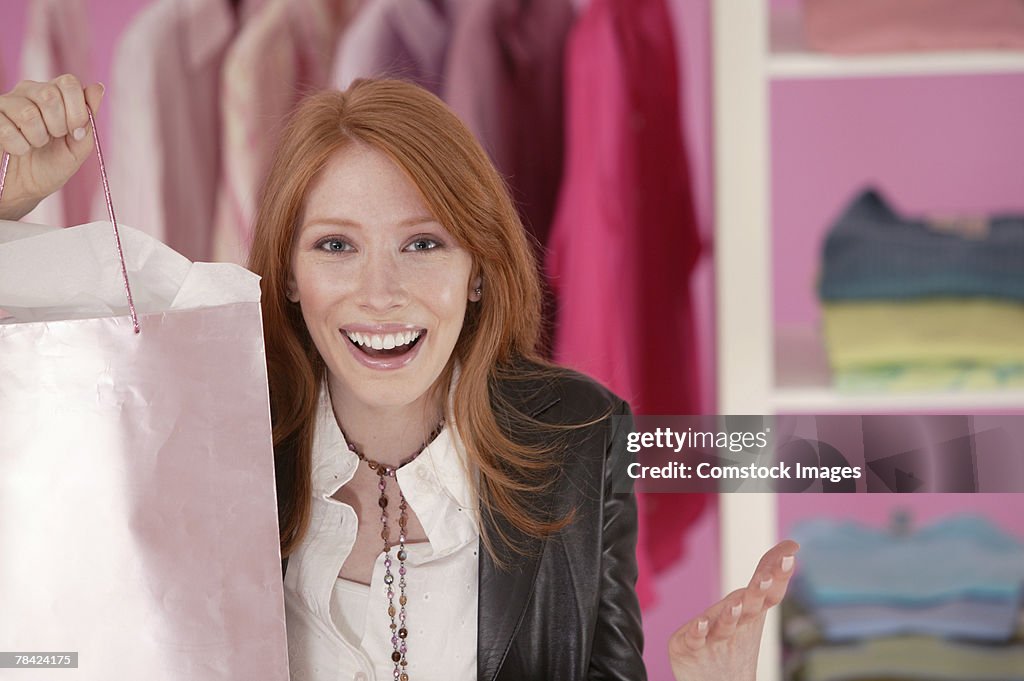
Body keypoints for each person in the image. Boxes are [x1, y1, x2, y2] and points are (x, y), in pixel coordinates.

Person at [0, 75, 799, 681]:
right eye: (336, 246)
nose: (379, 292)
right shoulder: (196, 432)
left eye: (422, 244)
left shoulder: (578, 437)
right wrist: (6, 209)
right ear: (285, 276)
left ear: (478, 271)